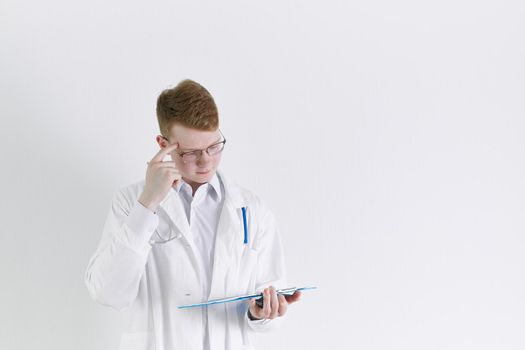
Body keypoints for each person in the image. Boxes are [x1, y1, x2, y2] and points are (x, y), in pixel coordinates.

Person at [84, 79, 301, 350]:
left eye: (213, 147)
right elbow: (109, 293)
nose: (205, 160)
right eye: (190, 153)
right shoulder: (131, 203)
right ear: (163, 144)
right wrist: (148, 204)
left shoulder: (252, 210)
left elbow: (268, 303)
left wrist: (260, 314)